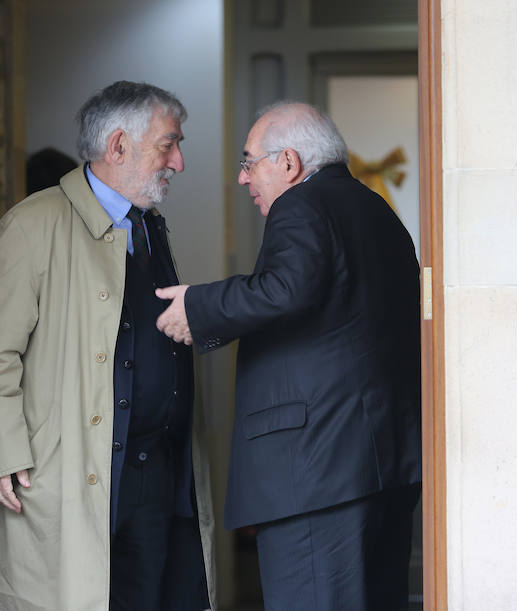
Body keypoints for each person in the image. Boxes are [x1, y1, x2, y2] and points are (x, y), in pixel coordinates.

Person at [0, 81, 216, 611]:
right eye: (169, 144)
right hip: (66, 480)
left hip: (153, 480)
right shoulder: (31, 224)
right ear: (119, 145)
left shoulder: (149, 227)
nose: (179, 162)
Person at [156, 101, 421, 610]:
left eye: (249, 161)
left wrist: (198, 305)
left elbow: (286, 287)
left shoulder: (301, 205)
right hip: (379, 464)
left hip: (318, 471)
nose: (242, 177)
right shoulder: (376, 210)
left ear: (290, 163)